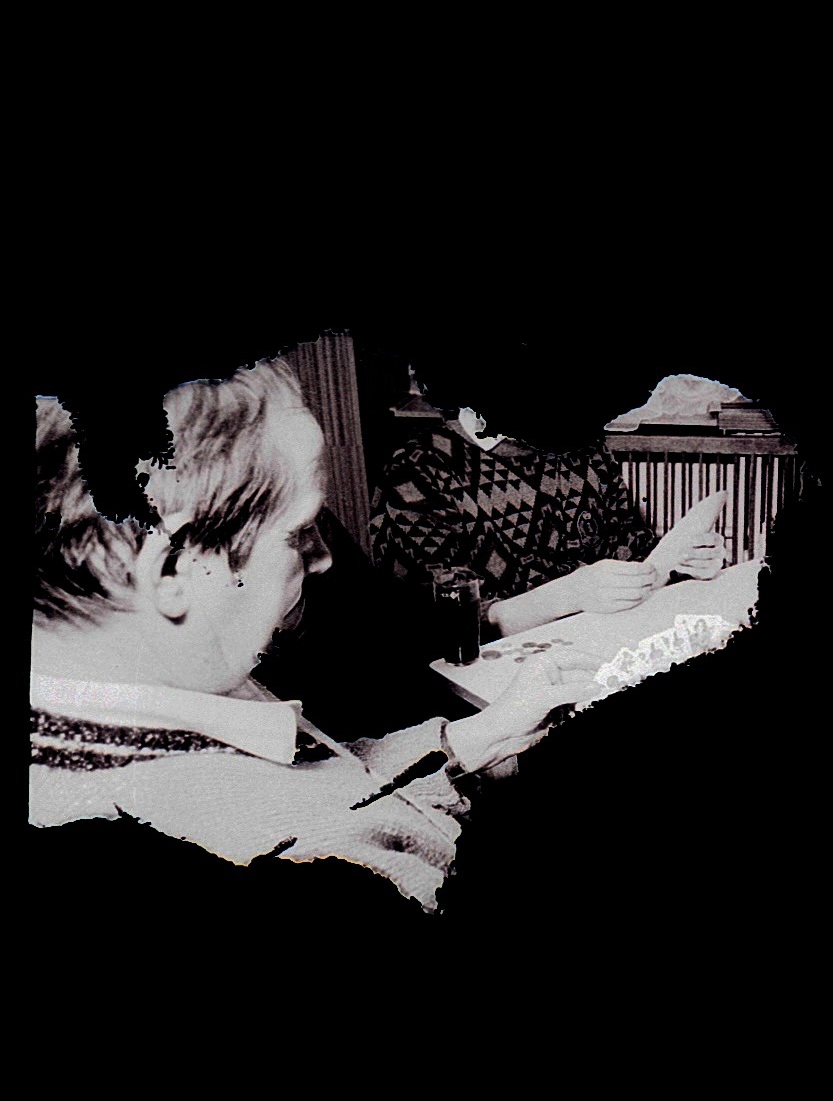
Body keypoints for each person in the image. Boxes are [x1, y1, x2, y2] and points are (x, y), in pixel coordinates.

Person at [31, 359, 598, 911]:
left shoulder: (155, 678)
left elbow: (331, 777)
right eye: (298, 532)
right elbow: (333, 814)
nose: (323, 556)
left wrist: (484, 734)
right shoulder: (278, 840)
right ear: (177, 569)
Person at [369, 399, 724, 642]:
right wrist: (563, 597)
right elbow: (421, 623)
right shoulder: (418, 468)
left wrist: (680, 564)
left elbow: (631, 546)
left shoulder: (586, 446)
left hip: (598, 642)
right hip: (493, 684)